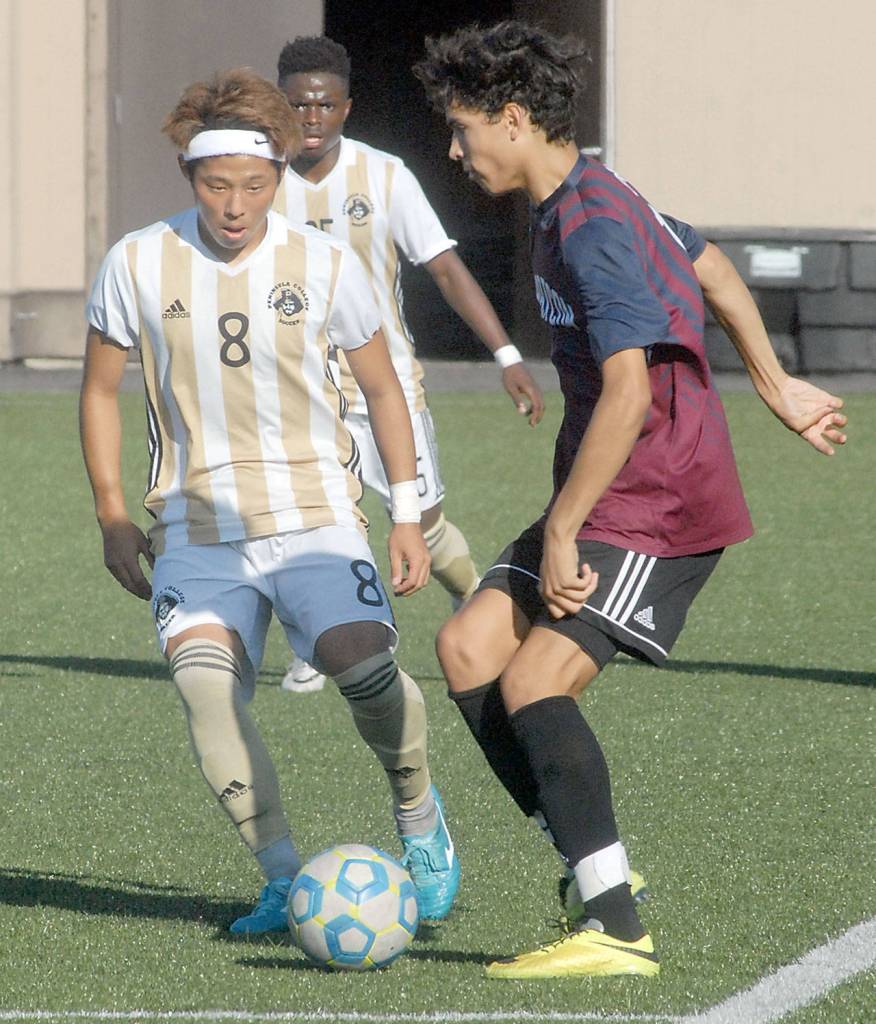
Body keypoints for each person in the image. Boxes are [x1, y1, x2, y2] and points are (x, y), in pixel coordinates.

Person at [413, 21, 848, 979]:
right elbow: (712, 264)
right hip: (608, 487)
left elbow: (631, 391)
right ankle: (594, 875)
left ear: (515, 119)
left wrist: (566, 528)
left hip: (658, 503)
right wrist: (775, 386)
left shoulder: (594, 225)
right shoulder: (594, 195)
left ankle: (613, 923)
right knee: (468, 646)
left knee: (534, 681)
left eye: (461, 129)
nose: (453, 148)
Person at [79, 68, 460, 935]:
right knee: (207, 693)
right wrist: (110, 510)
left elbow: (384, 388)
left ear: (279, 177)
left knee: (365, 671)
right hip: (193, 530)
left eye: (255, 184)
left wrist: (406, 509)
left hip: (316, 518)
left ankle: (419, 817)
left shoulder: (324, 264)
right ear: (189, 177)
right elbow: (101, 390)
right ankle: (284, 877)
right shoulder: (136, 261)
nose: (237, 203)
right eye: (218, 185)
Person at [272, 35, 545, 694]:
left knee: (422, 523)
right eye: (298, 106)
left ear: (346, 108)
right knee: (304, 519)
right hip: (298, 389)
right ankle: (319, 638)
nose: (311, 118)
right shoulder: (260, 181)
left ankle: (471, 592)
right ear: (280, 107)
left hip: (383, 385)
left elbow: (445, 268)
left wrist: (506, 353)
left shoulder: (384, 175)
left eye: (325, 105)